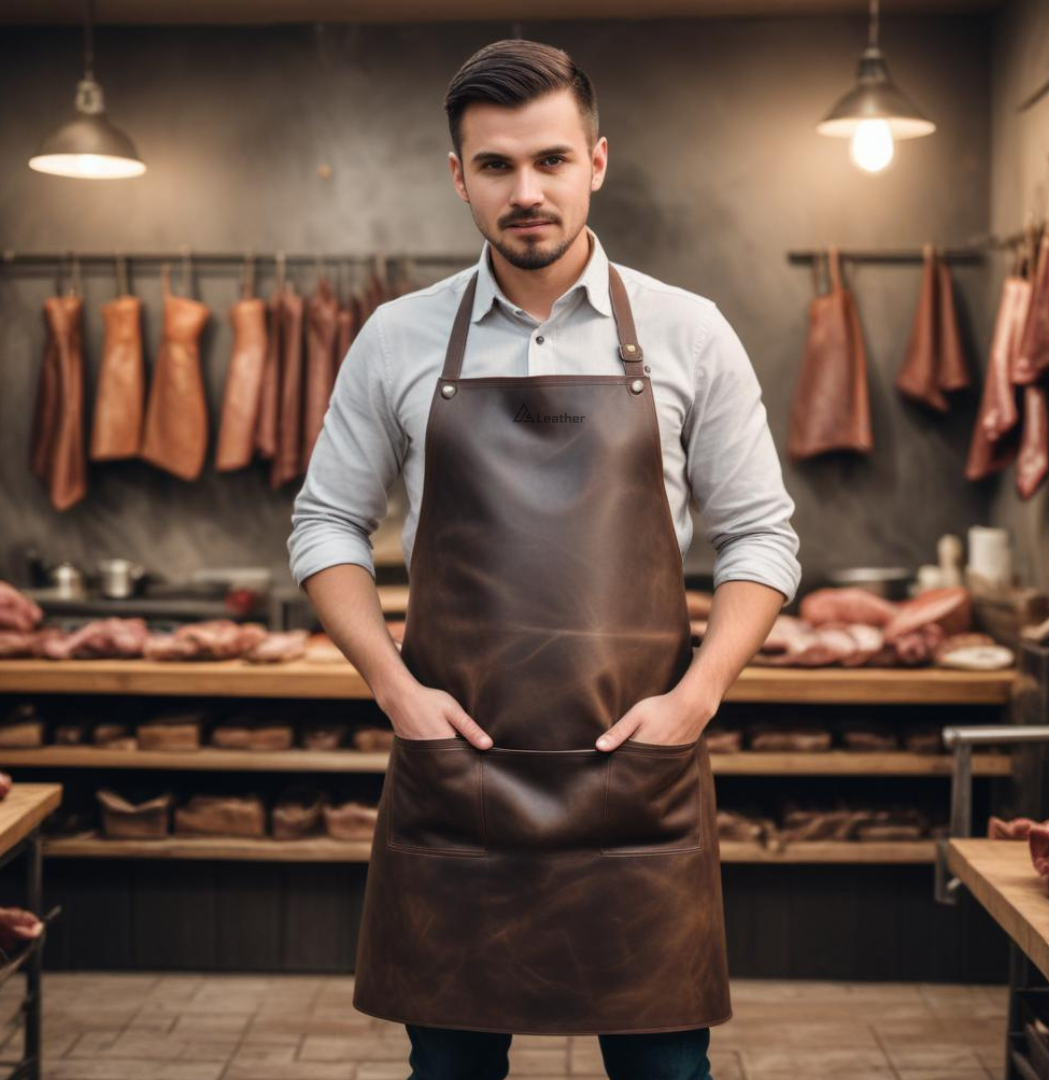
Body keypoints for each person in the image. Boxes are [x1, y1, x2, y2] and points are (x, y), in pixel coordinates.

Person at [288, 37, 801, 1080]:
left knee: (665, 1071)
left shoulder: (690, 332)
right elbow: (325, 524)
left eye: (552, 161)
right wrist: (393, 688)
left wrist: (697, 698)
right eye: (496, 166)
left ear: (596, 162)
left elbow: (762, 535)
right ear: (459, 176)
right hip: (457, 779)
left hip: (638, 787)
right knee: (451, 1071)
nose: (527, 191)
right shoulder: (396, 338)